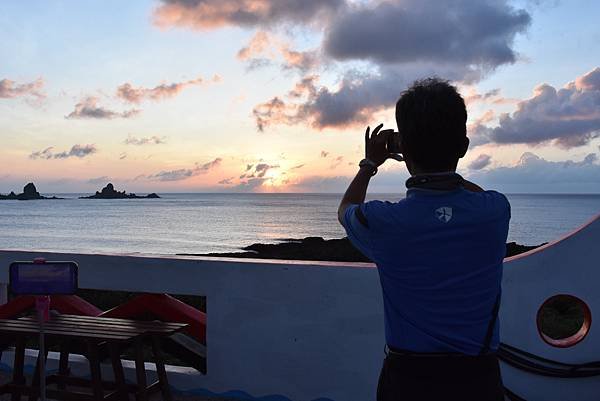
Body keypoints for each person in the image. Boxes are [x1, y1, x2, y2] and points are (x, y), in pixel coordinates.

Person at [338, 78, 510, 401]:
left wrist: (369, 164)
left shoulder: (383, 222)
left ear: (404, 147)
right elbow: (473, 194)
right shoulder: (495, 211)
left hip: (408, 381)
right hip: (480, 381)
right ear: (464, 146)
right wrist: (440, 164)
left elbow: (346, 209)